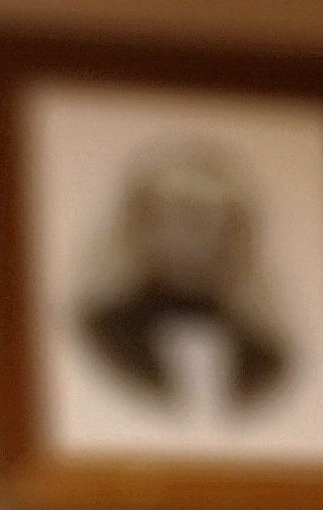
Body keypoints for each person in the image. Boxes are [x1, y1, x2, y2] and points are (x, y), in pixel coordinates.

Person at [73, 139, 290, 417]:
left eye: (208, 217)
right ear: (143, 226)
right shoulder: (107, 332)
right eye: (177, 213)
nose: (194, 232)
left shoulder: (260, 351)